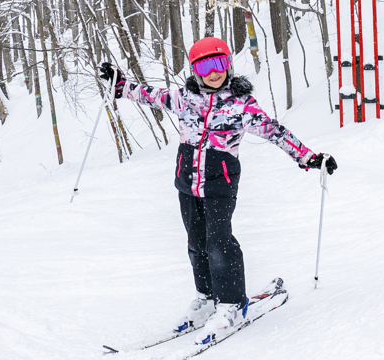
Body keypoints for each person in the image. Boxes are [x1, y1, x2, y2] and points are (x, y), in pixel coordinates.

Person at [98, 37, 337, 340]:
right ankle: (206, 299)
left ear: (228, 65)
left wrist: (309, 157)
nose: (214, 72)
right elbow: (150, 95)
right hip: (187, 183)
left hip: (220, 183)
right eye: (205, 66)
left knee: (219, 242)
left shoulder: (241, 106)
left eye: (220, 64)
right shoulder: (184, 98)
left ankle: (232, 305)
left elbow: (275, 131)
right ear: (196, 70)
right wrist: (121, 86)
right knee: (196, 243)